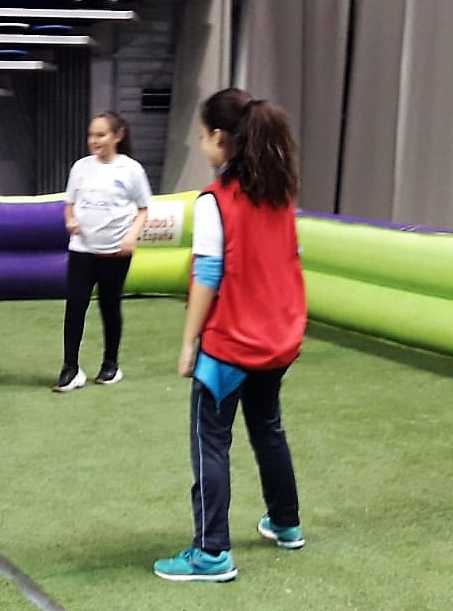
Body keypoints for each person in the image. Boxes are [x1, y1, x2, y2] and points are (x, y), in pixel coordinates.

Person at [153, 89, 306, 583]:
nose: (202, 146)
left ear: (220, 138)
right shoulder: (280, 195)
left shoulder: (216, 202)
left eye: (202, 137)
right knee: (268, 428)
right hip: (278, 341)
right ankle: (286, 522)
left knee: (211, 442)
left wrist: (188, 343)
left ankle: (211, 552)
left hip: (231, 345)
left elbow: (207, 273)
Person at [55, 112, 152, 392]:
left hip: (115, 252)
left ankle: (111, 364)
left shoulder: (131, 170)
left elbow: (144, 209)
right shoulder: (80, 167)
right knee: (75, 306)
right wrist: (70, 220)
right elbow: (69, 205)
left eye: (101, 135)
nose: (94, 141)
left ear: (117, 136)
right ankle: (70, 368)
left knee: (109, 306)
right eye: (91, 135)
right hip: (81, 249)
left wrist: (132, 236)